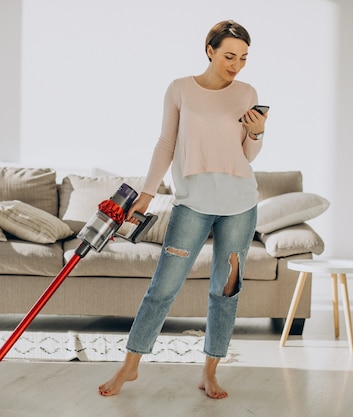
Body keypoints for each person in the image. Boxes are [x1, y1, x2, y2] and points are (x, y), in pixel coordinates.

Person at [98, 20, 268, 399]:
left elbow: (247, 154)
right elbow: (166, 143)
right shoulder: (180, 89)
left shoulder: (246, 92)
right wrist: (147, 191)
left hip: (239, 202)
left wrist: (256, 132)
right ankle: (130, 365)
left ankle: (210, 371)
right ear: (209, 49)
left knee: (225, 291)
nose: (236, 65)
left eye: (242, 58)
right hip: (192, 202)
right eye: (228, 56)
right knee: (163, 288)